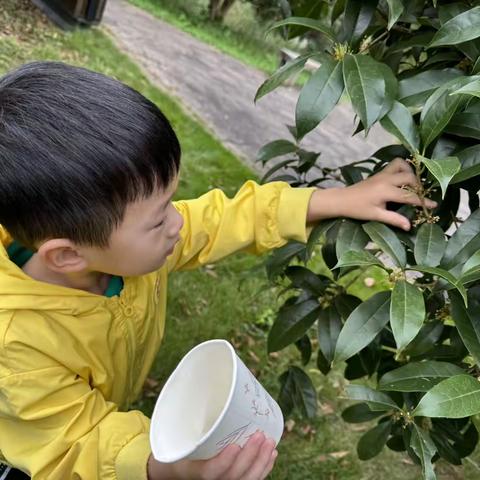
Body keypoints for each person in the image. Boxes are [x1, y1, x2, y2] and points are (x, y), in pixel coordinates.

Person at [0, 61, 436, 480]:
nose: (177, 222)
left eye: (171, 201)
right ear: (68, 256)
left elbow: (219, 219)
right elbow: (74, 442)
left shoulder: (119, 250)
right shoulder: (17, 345)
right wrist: (162, 468)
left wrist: (332, 201)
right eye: (157, 218)